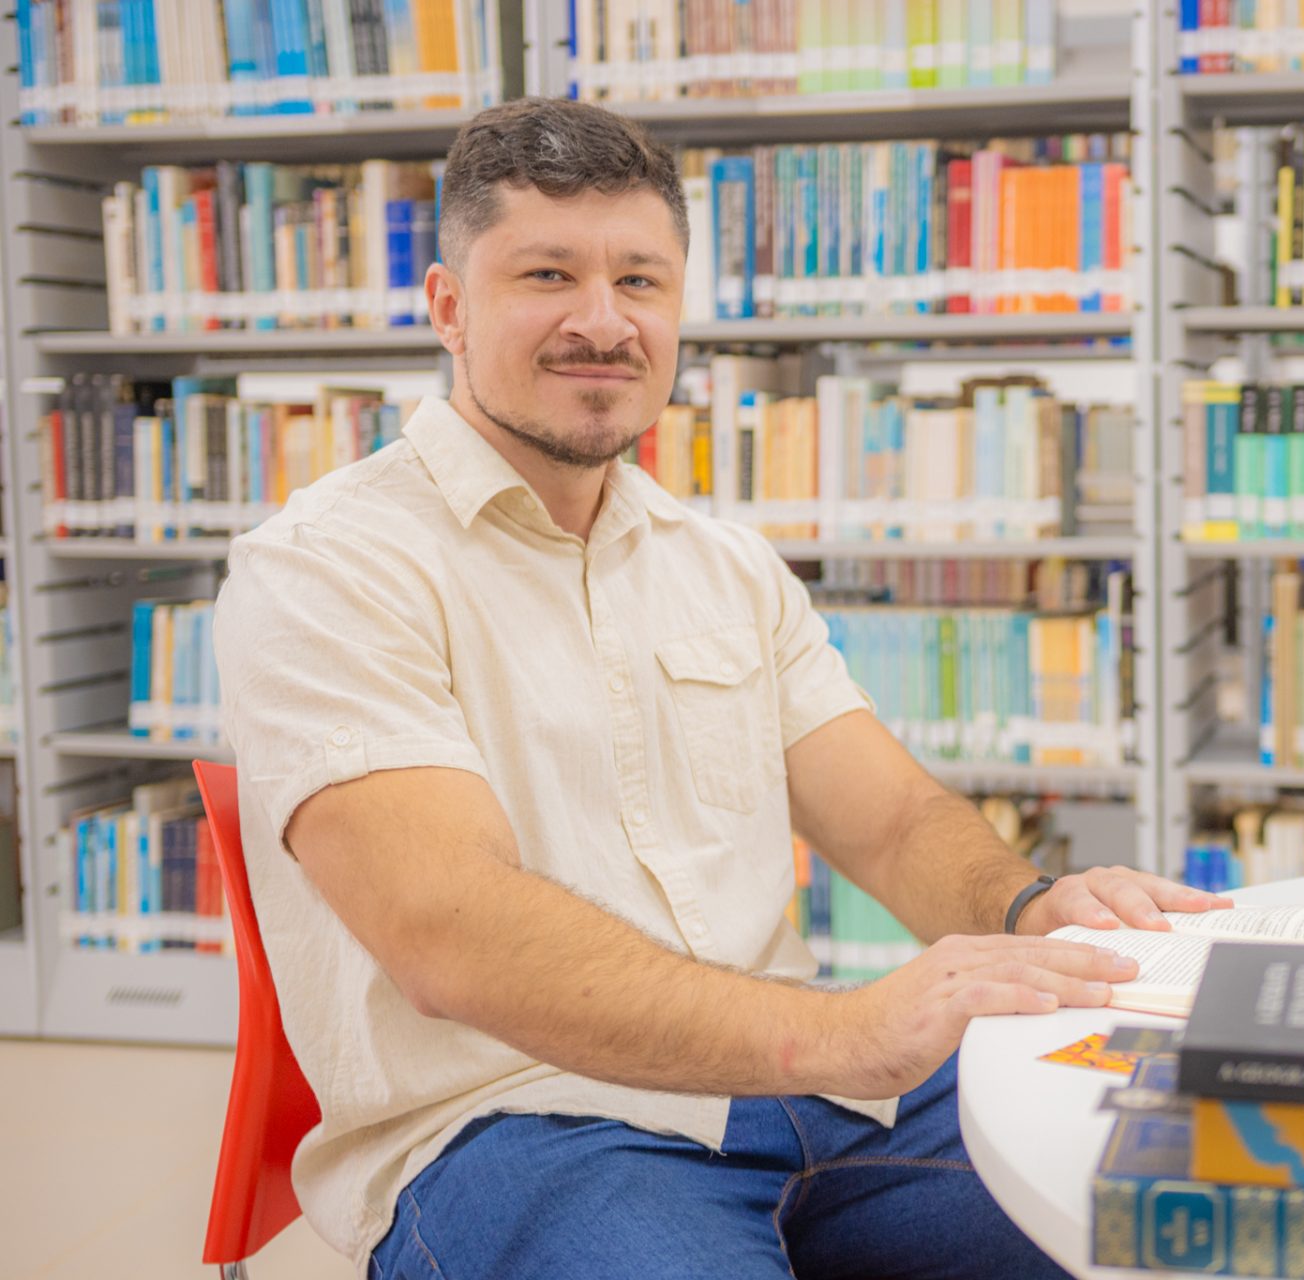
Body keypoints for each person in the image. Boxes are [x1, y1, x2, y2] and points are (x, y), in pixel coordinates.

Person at [214, 96, 1229, 1280]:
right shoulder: (325, 566)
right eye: (548, 273)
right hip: (527, 1126)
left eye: (640, 282)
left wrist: (1022, 905)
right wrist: (846, 1027)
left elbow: (894, 819)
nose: (602, 322)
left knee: (1204, 1210)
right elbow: (452, 931)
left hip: (811, 1090)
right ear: (449, 305)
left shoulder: (728, 566)